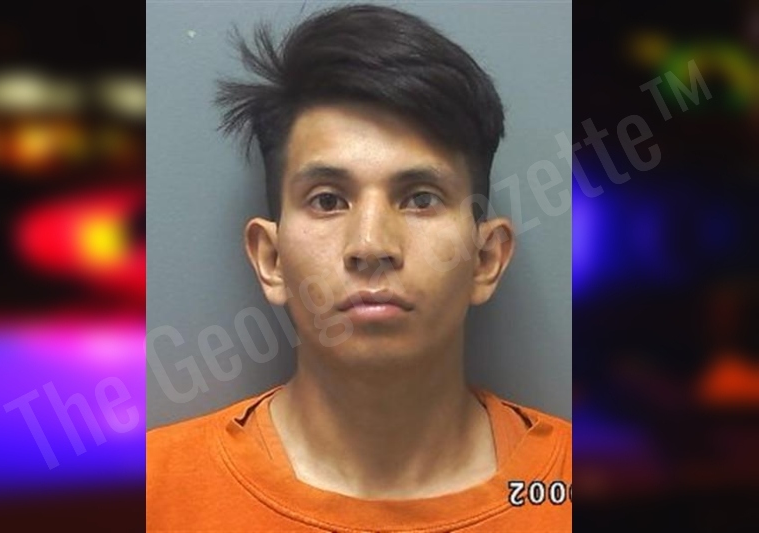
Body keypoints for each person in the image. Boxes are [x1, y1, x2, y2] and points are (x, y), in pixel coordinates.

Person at [147, 4, 571, 531]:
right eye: (328, 200)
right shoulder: (151, 494)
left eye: (420, 199)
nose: (370, 246)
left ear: (486, 259)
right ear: (270, 259)